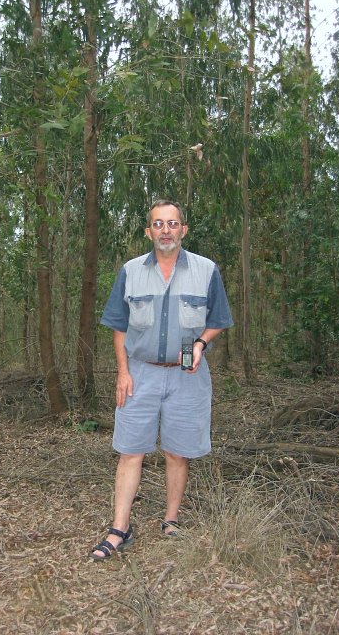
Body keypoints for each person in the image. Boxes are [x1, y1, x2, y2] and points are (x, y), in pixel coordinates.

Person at [91, 199, 234, 561]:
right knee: (130, 451)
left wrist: (202, 343)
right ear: (148, 231)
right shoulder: (131, 271)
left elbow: (218, 319)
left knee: (177, 452)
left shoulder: (206, 270)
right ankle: (119, 529)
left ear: (183, 230)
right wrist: (123, 372)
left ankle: (171, 520)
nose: (165, 231)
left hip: (188, 377)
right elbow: (118, 327)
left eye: (172, 224)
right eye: (158, 224)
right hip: (140, 375)